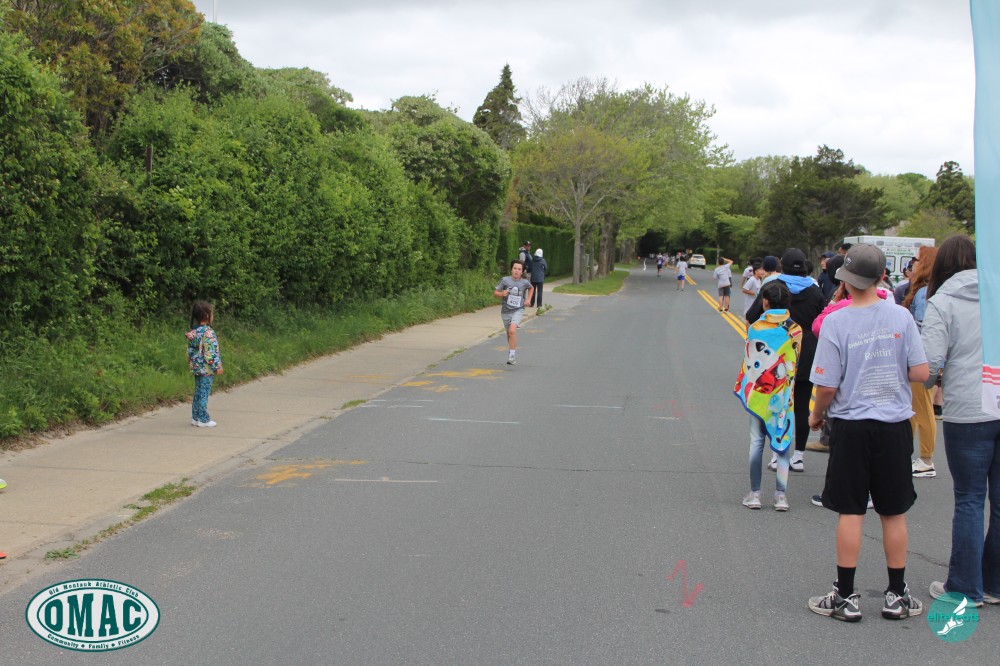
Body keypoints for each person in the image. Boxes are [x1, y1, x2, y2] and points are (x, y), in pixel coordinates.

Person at [807, 243, 928, 622]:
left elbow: (827, 386)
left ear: (844, 279)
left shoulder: (836, 322)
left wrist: (816, 417)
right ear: (881, 278)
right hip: (894, 426)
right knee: (893, 512)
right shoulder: (901, 317)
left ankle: (846, 596)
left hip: (851, 426)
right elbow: (921, 372)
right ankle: (897, 595)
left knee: (851, 510)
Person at [920, 235, 1000, 607]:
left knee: (970, 498)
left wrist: (934, 379)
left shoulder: (943, 301)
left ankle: (965, 587)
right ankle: (994, 583)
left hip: (968, 409)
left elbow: (929, 366)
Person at [746, 249, 825, 474]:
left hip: (778, 352)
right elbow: (822, 320)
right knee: (802, 405)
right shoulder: (815, 291)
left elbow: (752, 316)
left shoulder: (774, 287)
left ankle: (777, 455)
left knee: (778, 404)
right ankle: (798, 457)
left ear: (783, 266)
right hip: (806, 351)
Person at [735, 280, 801, 511]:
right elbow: (795, 362)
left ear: (765, 302)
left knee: (756, 442)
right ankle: (781, 496)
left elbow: (751, 361)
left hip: (760, 395)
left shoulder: (756, 328)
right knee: (782, 441)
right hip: (783, 395)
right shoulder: (795, 330)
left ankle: (755, 494)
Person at [902, 245, 940, 478]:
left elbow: (923, 331)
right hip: (921, 360)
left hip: (920, 360)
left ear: (925, 263)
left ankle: (926, 459)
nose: (912, 263)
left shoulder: (924, 293)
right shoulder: (926, 290)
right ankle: (915, 456)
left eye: (915, 259)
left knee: (922, 410)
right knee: (915, 409)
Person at [187, 301, 224, 427]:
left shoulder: (194, 332)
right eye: (212, 314)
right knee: (204, 393)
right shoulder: (208, 332)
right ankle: (203, 419)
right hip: (206, 369)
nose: (213, 317)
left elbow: (190, 350)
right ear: (206, 316)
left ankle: (195, 417)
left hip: (196, 367)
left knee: (198, 392)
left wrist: (191, 362)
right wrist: (217, 367)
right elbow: (210, 353)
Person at [494, 260, 533, 365]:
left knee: (512, 330)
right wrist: (502, 293)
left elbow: (531, 288)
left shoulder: (524, 282)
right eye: (515, 268)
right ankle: (512, 352)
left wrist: (528, 300)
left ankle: (512, 355)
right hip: (506, 311)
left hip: (518, 309)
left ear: (522, 271)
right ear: (511, 269)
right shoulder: (505, 280)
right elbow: (495, 293)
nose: (516, 271)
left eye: (519, 269)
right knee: (509, 333)